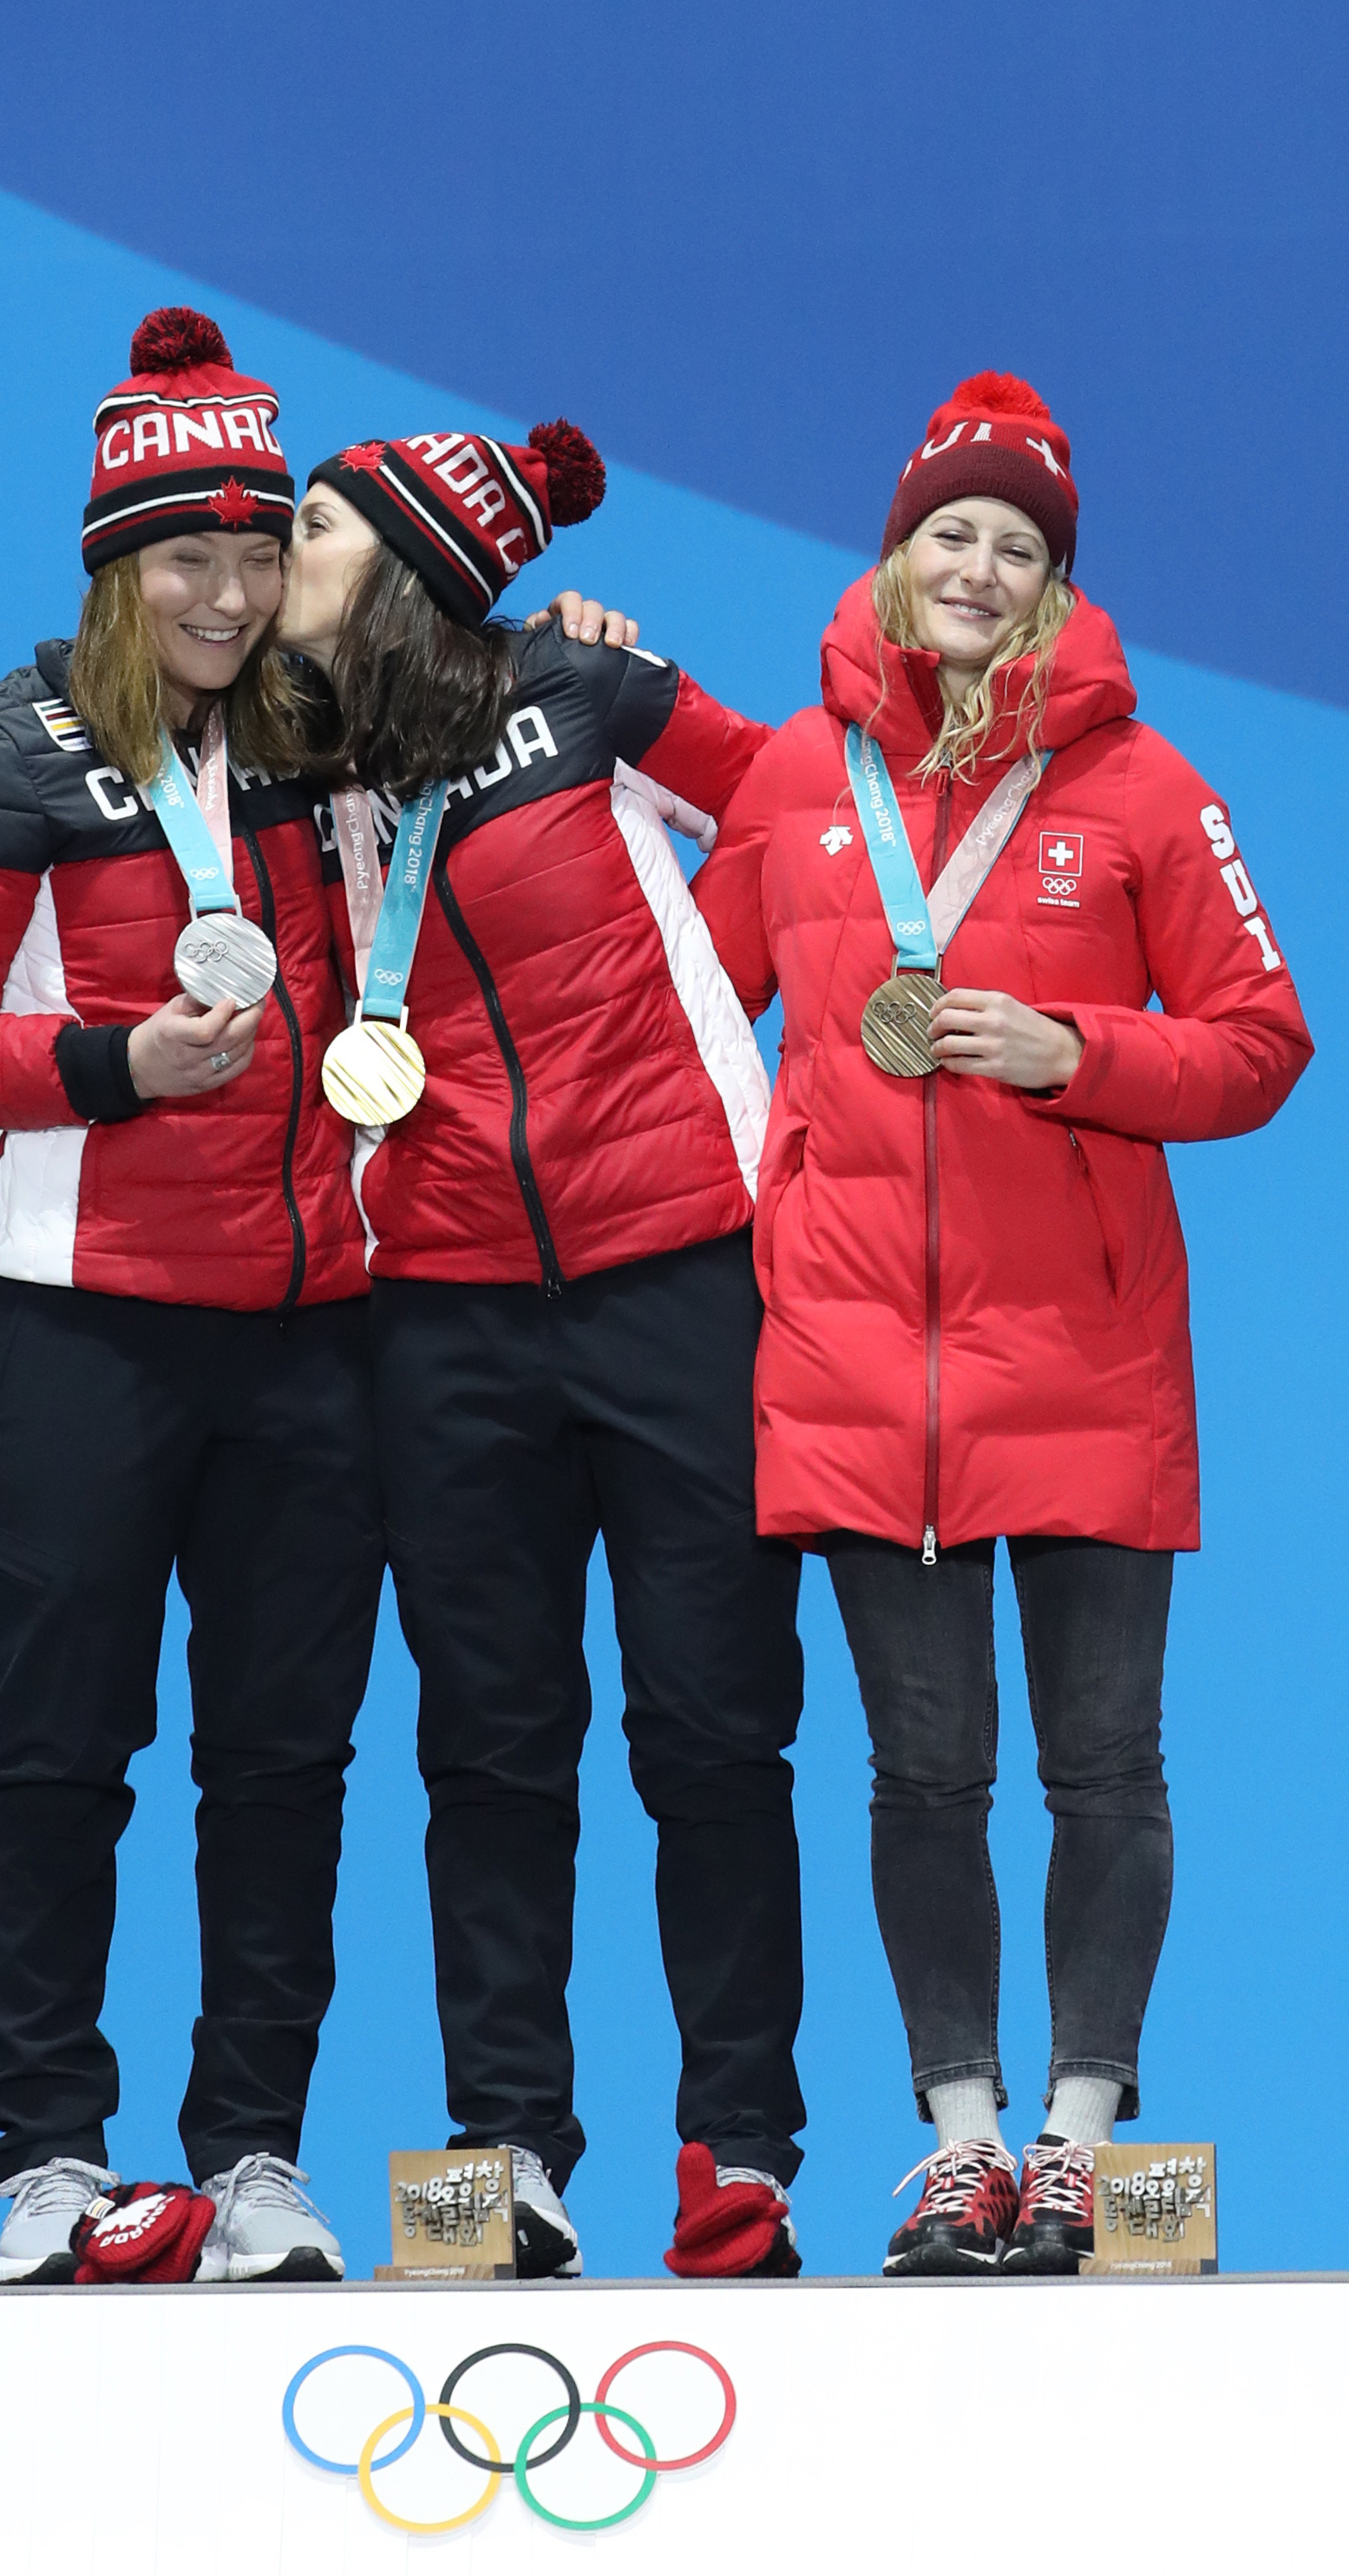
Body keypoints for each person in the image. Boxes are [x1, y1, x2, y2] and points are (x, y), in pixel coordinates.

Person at [695, 373, 1313, 2273]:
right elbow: (691, 1029)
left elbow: (1262, 1044)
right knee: (921, 1773)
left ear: (1054, 588)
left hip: (1087, 1351)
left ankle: (1079, 2136)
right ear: (895, 557)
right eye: (949, 533)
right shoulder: (797, 781)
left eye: (1017, 547)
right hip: (857, 1357)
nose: (977, 566)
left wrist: (1078, 1049)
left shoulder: (1146, 791)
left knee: (1105, 1765)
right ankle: (960, 2145)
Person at [0, 308, 383, 2285]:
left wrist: (582, 640)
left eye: (258, 554)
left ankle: (255, 2157)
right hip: (79, 1321)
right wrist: (106, 1064)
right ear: (113, 563)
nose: (231, 594)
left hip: (314, 1332)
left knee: (284, 1757)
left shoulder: (331, 737)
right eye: (189, 558)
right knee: (58, 1749)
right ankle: (52, 2166)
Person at [274, 418, 809, 2280]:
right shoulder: (286, 754)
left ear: (415, 557)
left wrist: (697, 1025)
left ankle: (739, 2142)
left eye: (319, 520)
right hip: (441, 1306)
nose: (284, 540)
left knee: (716, 1732)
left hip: (677, 1281)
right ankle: (511, 2148)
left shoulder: (580, 679)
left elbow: (801, 817)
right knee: (493, 1747)